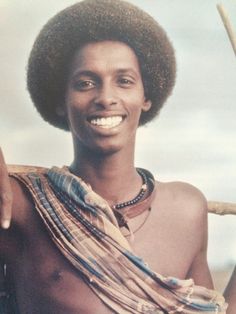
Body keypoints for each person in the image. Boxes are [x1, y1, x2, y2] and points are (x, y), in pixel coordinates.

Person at [0, 0, 228, 313]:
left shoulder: (187, 208)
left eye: (124, 81)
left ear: (145, 96)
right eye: (85, 83)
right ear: (60, 100)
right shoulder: (22, 206)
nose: (106, 98)